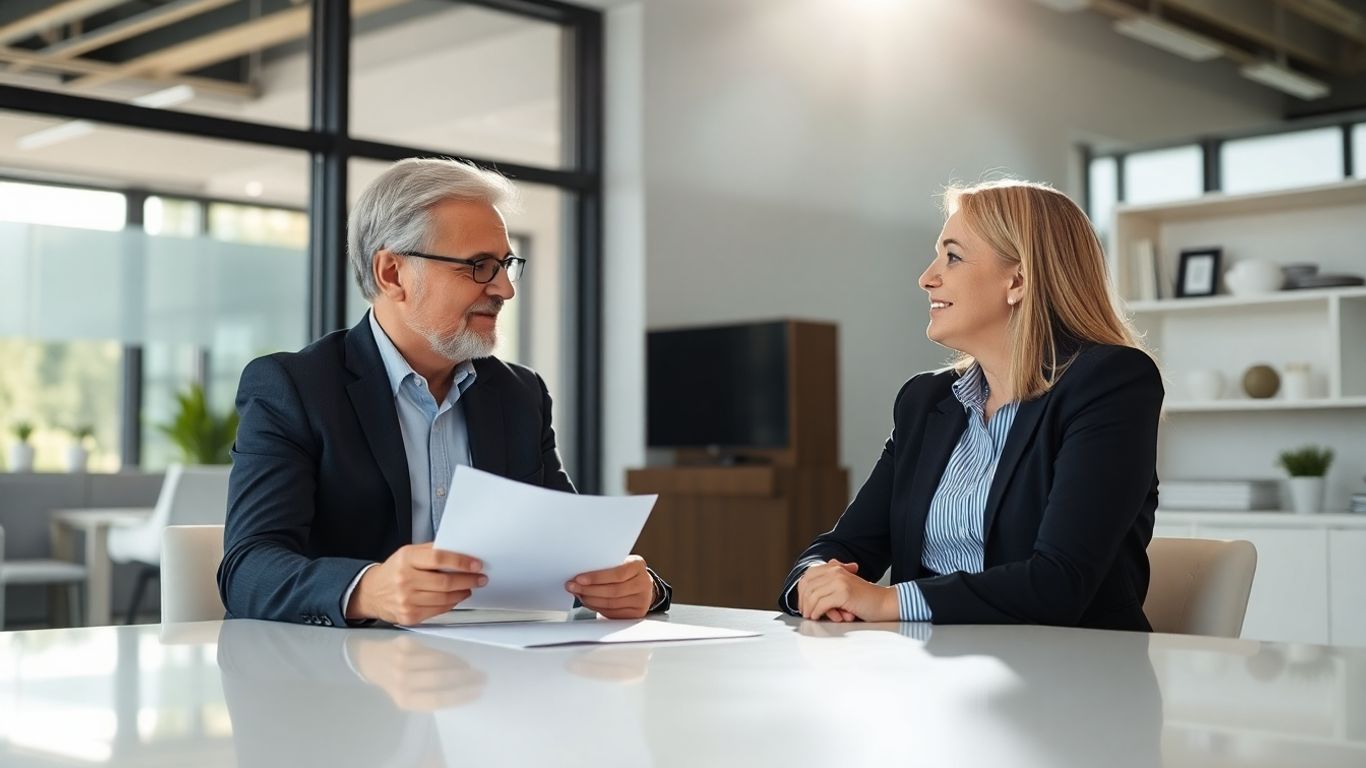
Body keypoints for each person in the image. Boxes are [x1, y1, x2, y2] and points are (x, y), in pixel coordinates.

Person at [219, 158, 671, 626]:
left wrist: (636, 586)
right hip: (343, 677)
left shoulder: (519, 394)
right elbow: (247, 569)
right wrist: (367, 589)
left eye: (505, 265)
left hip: (498, 671)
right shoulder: (294, 388)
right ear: (392, 273)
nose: (503, 290)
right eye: (478, 266)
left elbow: (572, 554)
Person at [779, 179, 1161, 629]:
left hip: (1072, 676)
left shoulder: (1110, 381)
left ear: (1017, 279)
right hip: (931, 672)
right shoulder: (925, 401)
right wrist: (814, 580)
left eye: (952, 257)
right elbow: (847, 546)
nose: (927, 278)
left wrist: (886, 602)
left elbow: (1059, 583)